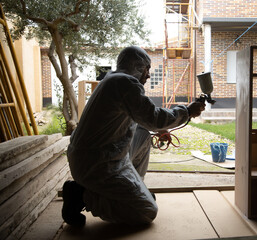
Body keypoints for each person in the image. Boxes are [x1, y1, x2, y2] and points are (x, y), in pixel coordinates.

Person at [62, 46, 205, 227]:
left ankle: (133, 191)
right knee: (146, 211)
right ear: (138, 66)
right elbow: (154, 117)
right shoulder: (125, 84)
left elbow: (137, 119)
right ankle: (82, 195)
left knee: (144, 134)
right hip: (95, 165)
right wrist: (187, 111)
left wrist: (158, 129)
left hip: (93, 155)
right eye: (147, 69)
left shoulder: (113, 80)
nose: (148, 75)